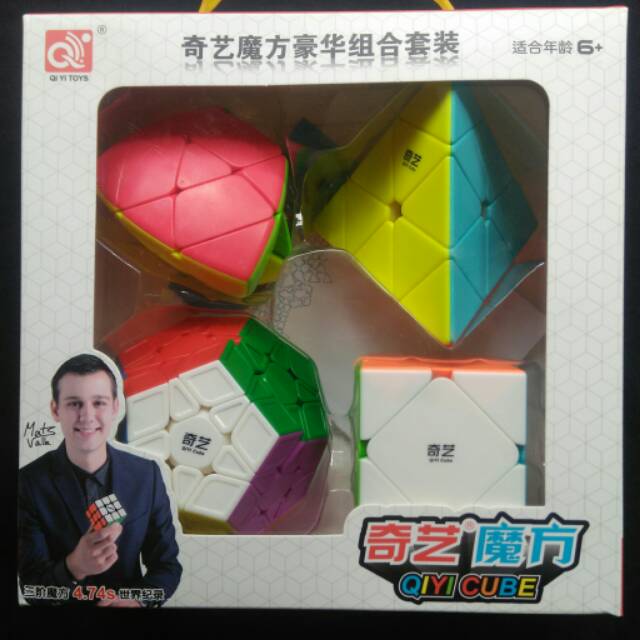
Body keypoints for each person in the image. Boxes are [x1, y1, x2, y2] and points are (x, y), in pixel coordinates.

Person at [18, 353, 182, 607]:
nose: (87, 416)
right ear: (55, 409)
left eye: (99, 403)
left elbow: (167, 567)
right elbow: (32, 589)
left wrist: (136, 601)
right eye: (74, 403)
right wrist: (75, 566)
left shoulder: (146, 476)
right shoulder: (28, 483)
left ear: (115, 407)